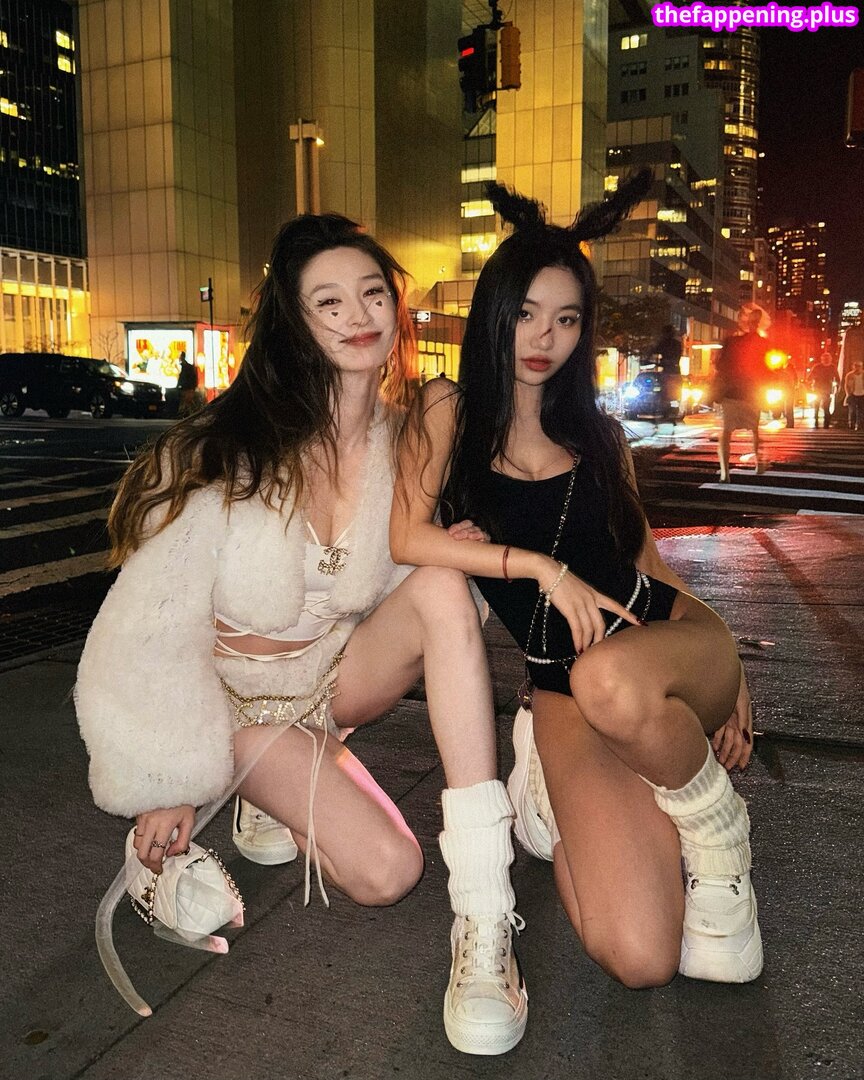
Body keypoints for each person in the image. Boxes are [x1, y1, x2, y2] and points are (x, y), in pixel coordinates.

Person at [76, 213, 527, 1056]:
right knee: (389, 873)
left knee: (442, 585)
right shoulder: (222, 450)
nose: (359, 315)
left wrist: (440, 549)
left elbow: (371, 578)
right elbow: (147, 627)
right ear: (294, 320)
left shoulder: (402, 440)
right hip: (232, 709)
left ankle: (485, 913)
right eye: (329, 301)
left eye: (372, 293)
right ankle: (222, 803)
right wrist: (165, 779)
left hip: (327, 685)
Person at [391, 175, 762, 998]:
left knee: (612, 676)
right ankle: (568, 805)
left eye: (566, 319)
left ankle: (718, 832)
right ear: (496, 312)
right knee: (641, 958)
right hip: (564, 691)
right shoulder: (447, 410)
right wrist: (535, 566)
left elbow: (652, 569)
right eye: (527, 313)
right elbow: (405, 535)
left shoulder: (599, 435)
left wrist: (727, 667)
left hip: (658, 650)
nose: (544, 337)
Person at [713, 304, 771, 482]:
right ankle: (759, 463)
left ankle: (725, 472)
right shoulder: (762, 343)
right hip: (752, 392)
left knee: (726, 431)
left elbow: (719, 365)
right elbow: (765, 369)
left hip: (731, 391)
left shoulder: (731, 341)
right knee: (754, 429)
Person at [810, 351, 839, 428]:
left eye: (827, 359)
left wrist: (837, 385)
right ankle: (818, 423)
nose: (826, 360)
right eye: (825, 359)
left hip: (826, 390)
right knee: (817, 407)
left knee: (825, 407)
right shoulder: (818, 367)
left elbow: (837, 378)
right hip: (818, 389)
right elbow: (810, 376)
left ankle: (825, 423)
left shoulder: (832, 367)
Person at [176, 350, 200, 417]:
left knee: (187, 402)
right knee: (186, 402)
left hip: (187, 388)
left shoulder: (187, 367)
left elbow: (188, 378)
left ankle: (188, 414)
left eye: (180, 357)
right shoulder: (186, 366)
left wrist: (192, 387)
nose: (179, 358)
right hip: (186, 388)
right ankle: (187, 414)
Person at [843, 357, 864, 431]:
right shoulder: (849, 375)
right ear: (853, 367)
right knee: (853, 410)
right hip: (853, 394)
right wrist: (848, 394)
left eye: (859, 366)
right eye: (856, 366)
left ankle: (859, 425)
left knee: (861, 411)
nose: (857, 368)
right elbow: (846, 385)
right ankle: (851, 423)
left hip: (862, 395)